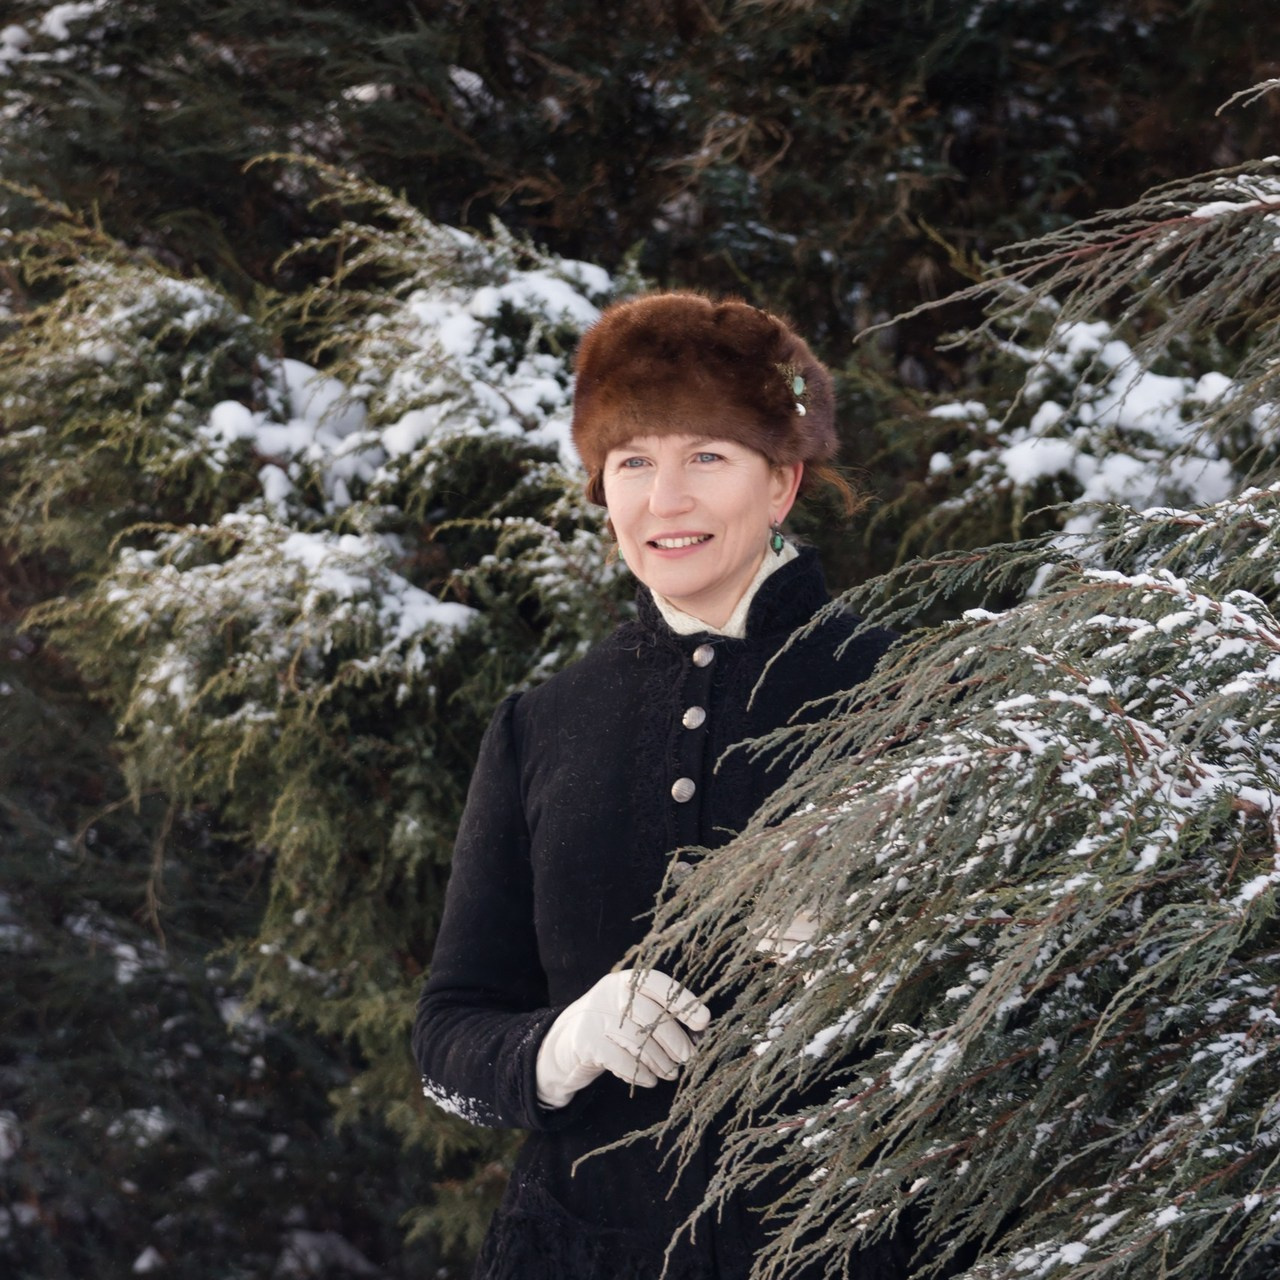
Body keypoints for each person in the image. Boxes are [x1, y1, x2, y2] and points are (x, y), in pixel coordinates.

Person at [413, 292, 905, 1279]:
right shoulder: (538, 724)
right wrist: (563, 1044)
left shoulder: (909, 690)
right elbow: (449, 1033)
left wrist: (879, 952)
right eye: (632, 462)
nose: (663, 500)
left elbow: (1038, 1019)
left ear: (782, 481)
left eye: (706, 456)